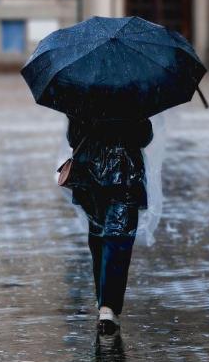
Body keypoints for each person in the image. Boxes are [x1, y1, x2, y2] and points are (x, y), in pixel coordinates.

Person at [65, 117, 153, 334]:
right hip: (124, 174)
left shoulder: (80, 95)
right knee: (118, 238)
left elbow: (72, 138)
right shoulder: (132, 93)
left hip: (89, 174)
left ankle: (105, 303)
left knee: (99, 237)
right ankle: (108, 306)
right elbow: (144, 137)